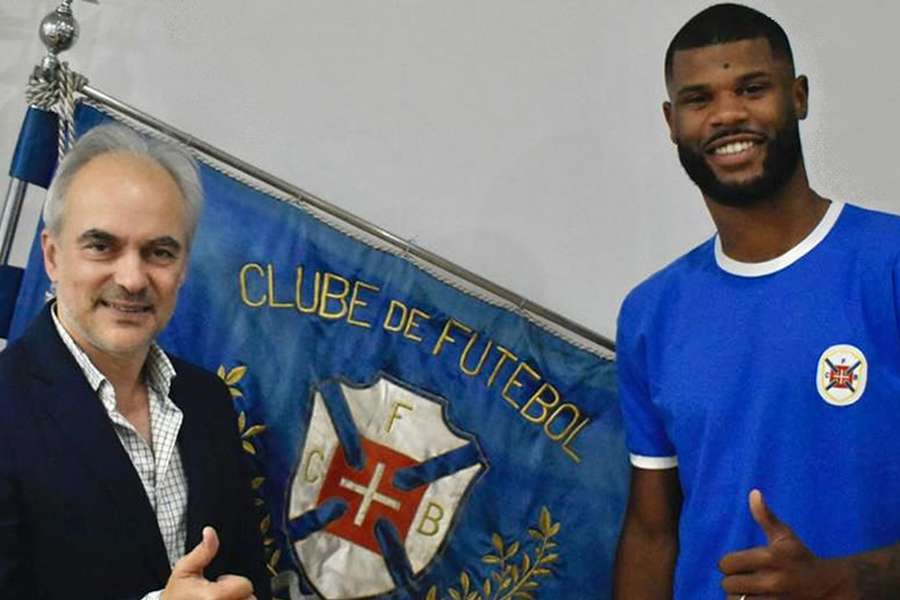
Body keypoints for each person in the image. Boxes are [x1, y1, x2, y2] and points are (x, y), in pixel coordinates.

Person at [613, 4, 900, 599]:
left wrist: (846, 581)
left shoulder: (888, 264)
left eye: (751, 88)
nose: (727, 115)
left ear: (797, 97)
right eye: (699, 99)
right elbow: (651, 534)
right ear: (672, 121)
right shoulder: (651, 314)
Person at [0, 123, 271, 599]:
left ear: (183, 267)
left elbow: (247, 576)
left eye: (159, 252)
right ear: (52, 255)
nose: (131, 278)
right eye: (101, 246)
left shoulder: (207, 400)